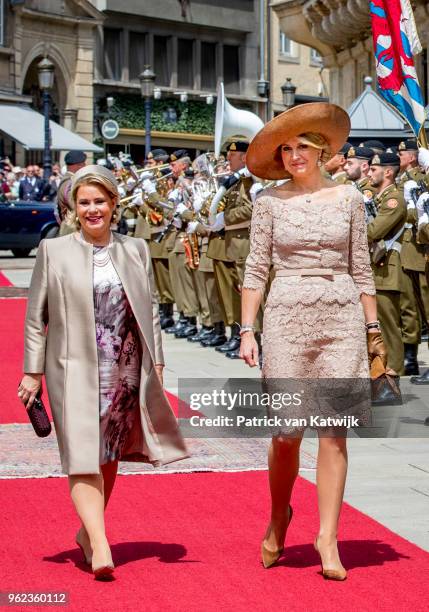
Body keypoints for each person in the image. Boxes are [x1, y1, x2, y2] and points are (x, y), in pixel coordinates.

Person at [18, 165, 187, 581]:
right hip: (70, 367)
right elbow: (34, 316)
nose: (92, 209)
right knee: (81, 455)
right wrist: (32, 372)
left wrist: (157, 363)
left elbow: (150, 313)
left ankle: (85, 532)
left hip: (123, 368)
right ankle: (101, 542)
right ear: (74, 207)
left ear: (113, 204)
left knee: (109, 451)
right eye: (84, 202)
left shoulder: (135, 250)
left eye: (99, 201)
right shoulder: (52, 251)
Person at [240, 103, 383, 581]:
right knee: (286, 433)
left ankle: (327, 536)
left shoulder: (348, 199)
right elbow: (256, 270)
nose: (294, 154)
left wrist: (372, 330)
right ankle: (280, 515)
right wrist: (246, 329)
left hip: (340, 315)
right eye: (286, 147)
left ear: (322, 150)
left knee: (333, 429)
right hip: (285, 314)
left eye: (303, 146)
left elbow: (361, 267)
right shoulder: (268, 203)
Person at [367, 153, 407, 378]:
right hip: (378, 269)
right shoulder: (380, 198)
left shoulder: (394, 200)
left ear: (388, 172)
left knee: (388, 326)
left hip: (387, 269)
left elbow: (373, 232)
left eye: (374, 169)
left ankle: (393, 373)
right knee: (379, 325)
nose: (369, 173)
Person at [57, 150, 87, 235]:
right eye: (83, 164)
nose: (85, 166)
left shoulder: (71, 181)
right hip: (73, 229)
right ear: (78, 165)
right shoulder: (70, 183)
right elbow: (75, 205)